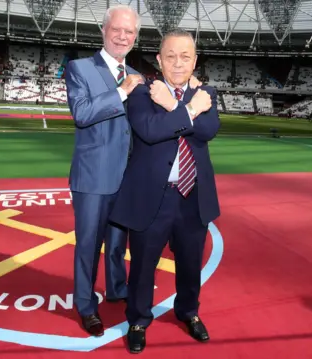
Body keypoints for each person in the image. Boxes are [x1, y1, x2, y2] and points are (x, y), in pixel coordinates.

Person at [109, 28, 220, 354]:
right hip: (152, 197)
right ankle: (138, 320)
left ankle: (189, 312)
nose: (177, 62)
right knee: (143, 265)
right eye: (170, 55)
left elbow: (208, 130)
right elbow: (150, 130)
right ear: (158, 59)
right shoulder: (143, 92)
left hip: (193, 197)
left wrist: (173, 105)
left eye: (185, 56)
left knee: (190, 264)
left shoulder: (206, 93)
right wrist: (187, 109)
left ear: (195, 60)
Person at [64, 4, 144, 337]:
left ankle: (116, 288)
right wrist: (122, 91)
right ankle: (85, 305)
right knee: (88, 245)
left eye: (130, 32)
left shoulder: (138, 75)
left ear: (135, 37)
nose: (123, 36)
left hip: (126, 177)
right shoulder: (80, 68)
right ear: (104, 30)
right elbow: (81, 113)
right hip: (93, 177)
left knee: (116, 244)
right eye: (117, 29)